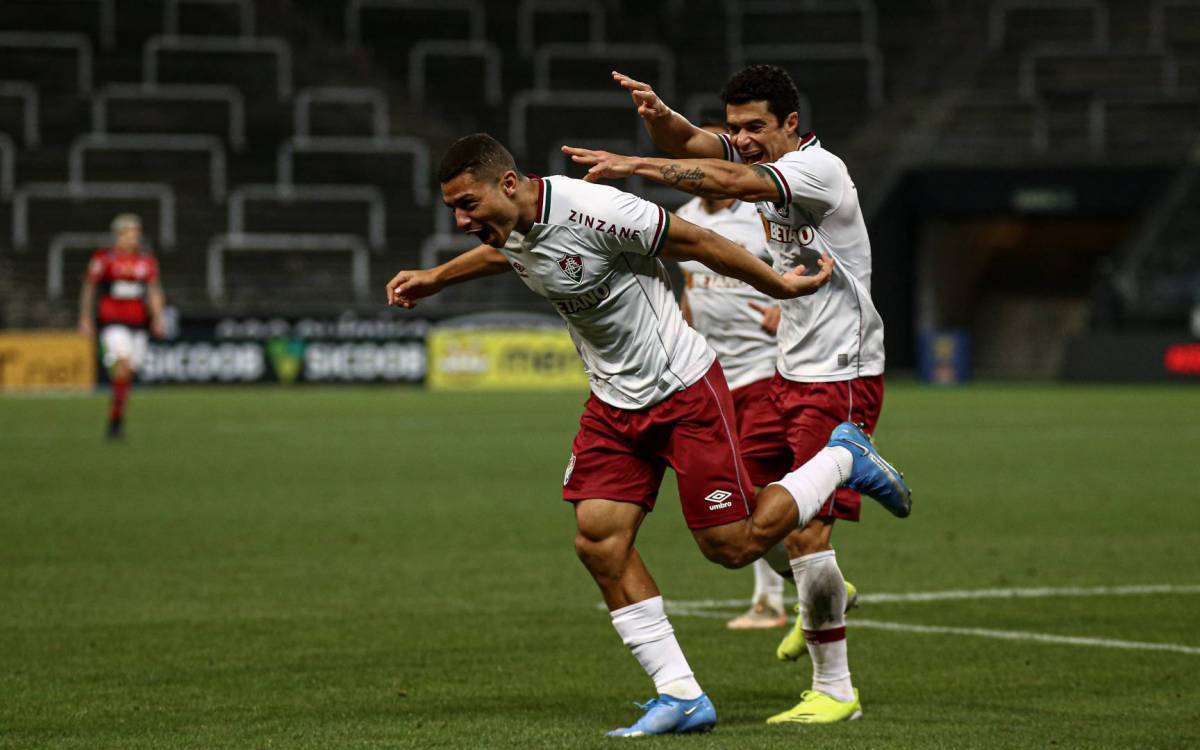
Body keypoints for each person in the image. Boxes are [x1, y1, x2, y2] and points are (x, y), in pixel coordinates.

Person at [387, 133, 911, 736]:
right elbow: (509, 254)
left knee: (733, 548)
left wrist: (778, 285)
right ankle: (682, 695)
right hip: (613, 404)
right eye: (453, 208)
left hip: (683, 391)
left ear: (509, 184)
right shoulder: (510, 228)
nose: (460, 220)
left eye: (468, 204)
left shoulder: (597, 210)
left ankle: (844, 456)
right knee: (599, 543)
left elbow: (698, 242)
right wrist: (434, 278)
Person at [562, 63, 900, 725]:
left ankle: (835, 691)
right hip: (786, 368)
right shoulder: (757, 149)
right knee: (750, 509)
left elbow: (725, 178)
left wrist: (633, 163)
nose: (742, 139)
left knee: (804, 530)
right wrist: (658, 116)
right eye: (736, 127)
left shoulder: (816, 169)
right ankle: (821, 592)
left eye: (755, 128)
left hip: (842, 371)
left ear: (790, 125)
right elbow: (695, 146)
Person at [672, 122, 791, 630]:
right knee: (748, 488)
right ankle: (806, 580)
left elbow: (812, 260)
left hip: (765, 365)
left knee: (755, 483)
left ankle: (775, 597)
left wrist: (790, 311)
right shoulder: (682, 217)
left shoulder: (763, 210)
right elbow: (689, 284)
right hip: (713, 372)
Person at [78, 213, 165, 440]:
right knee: (123, 365)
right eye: (129, 233)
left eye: (136, 233)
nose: (134, 237)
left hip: (138, 324)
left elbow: (154, 291)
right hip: (113, 322)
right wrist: (86, 318)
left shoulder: (146, 262)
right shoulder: (104, 259)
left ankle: (116, 417)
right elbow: (89, 287)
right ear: (118, 235)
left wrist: (158, 317)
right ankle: (115, 425)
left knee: (128, 373)